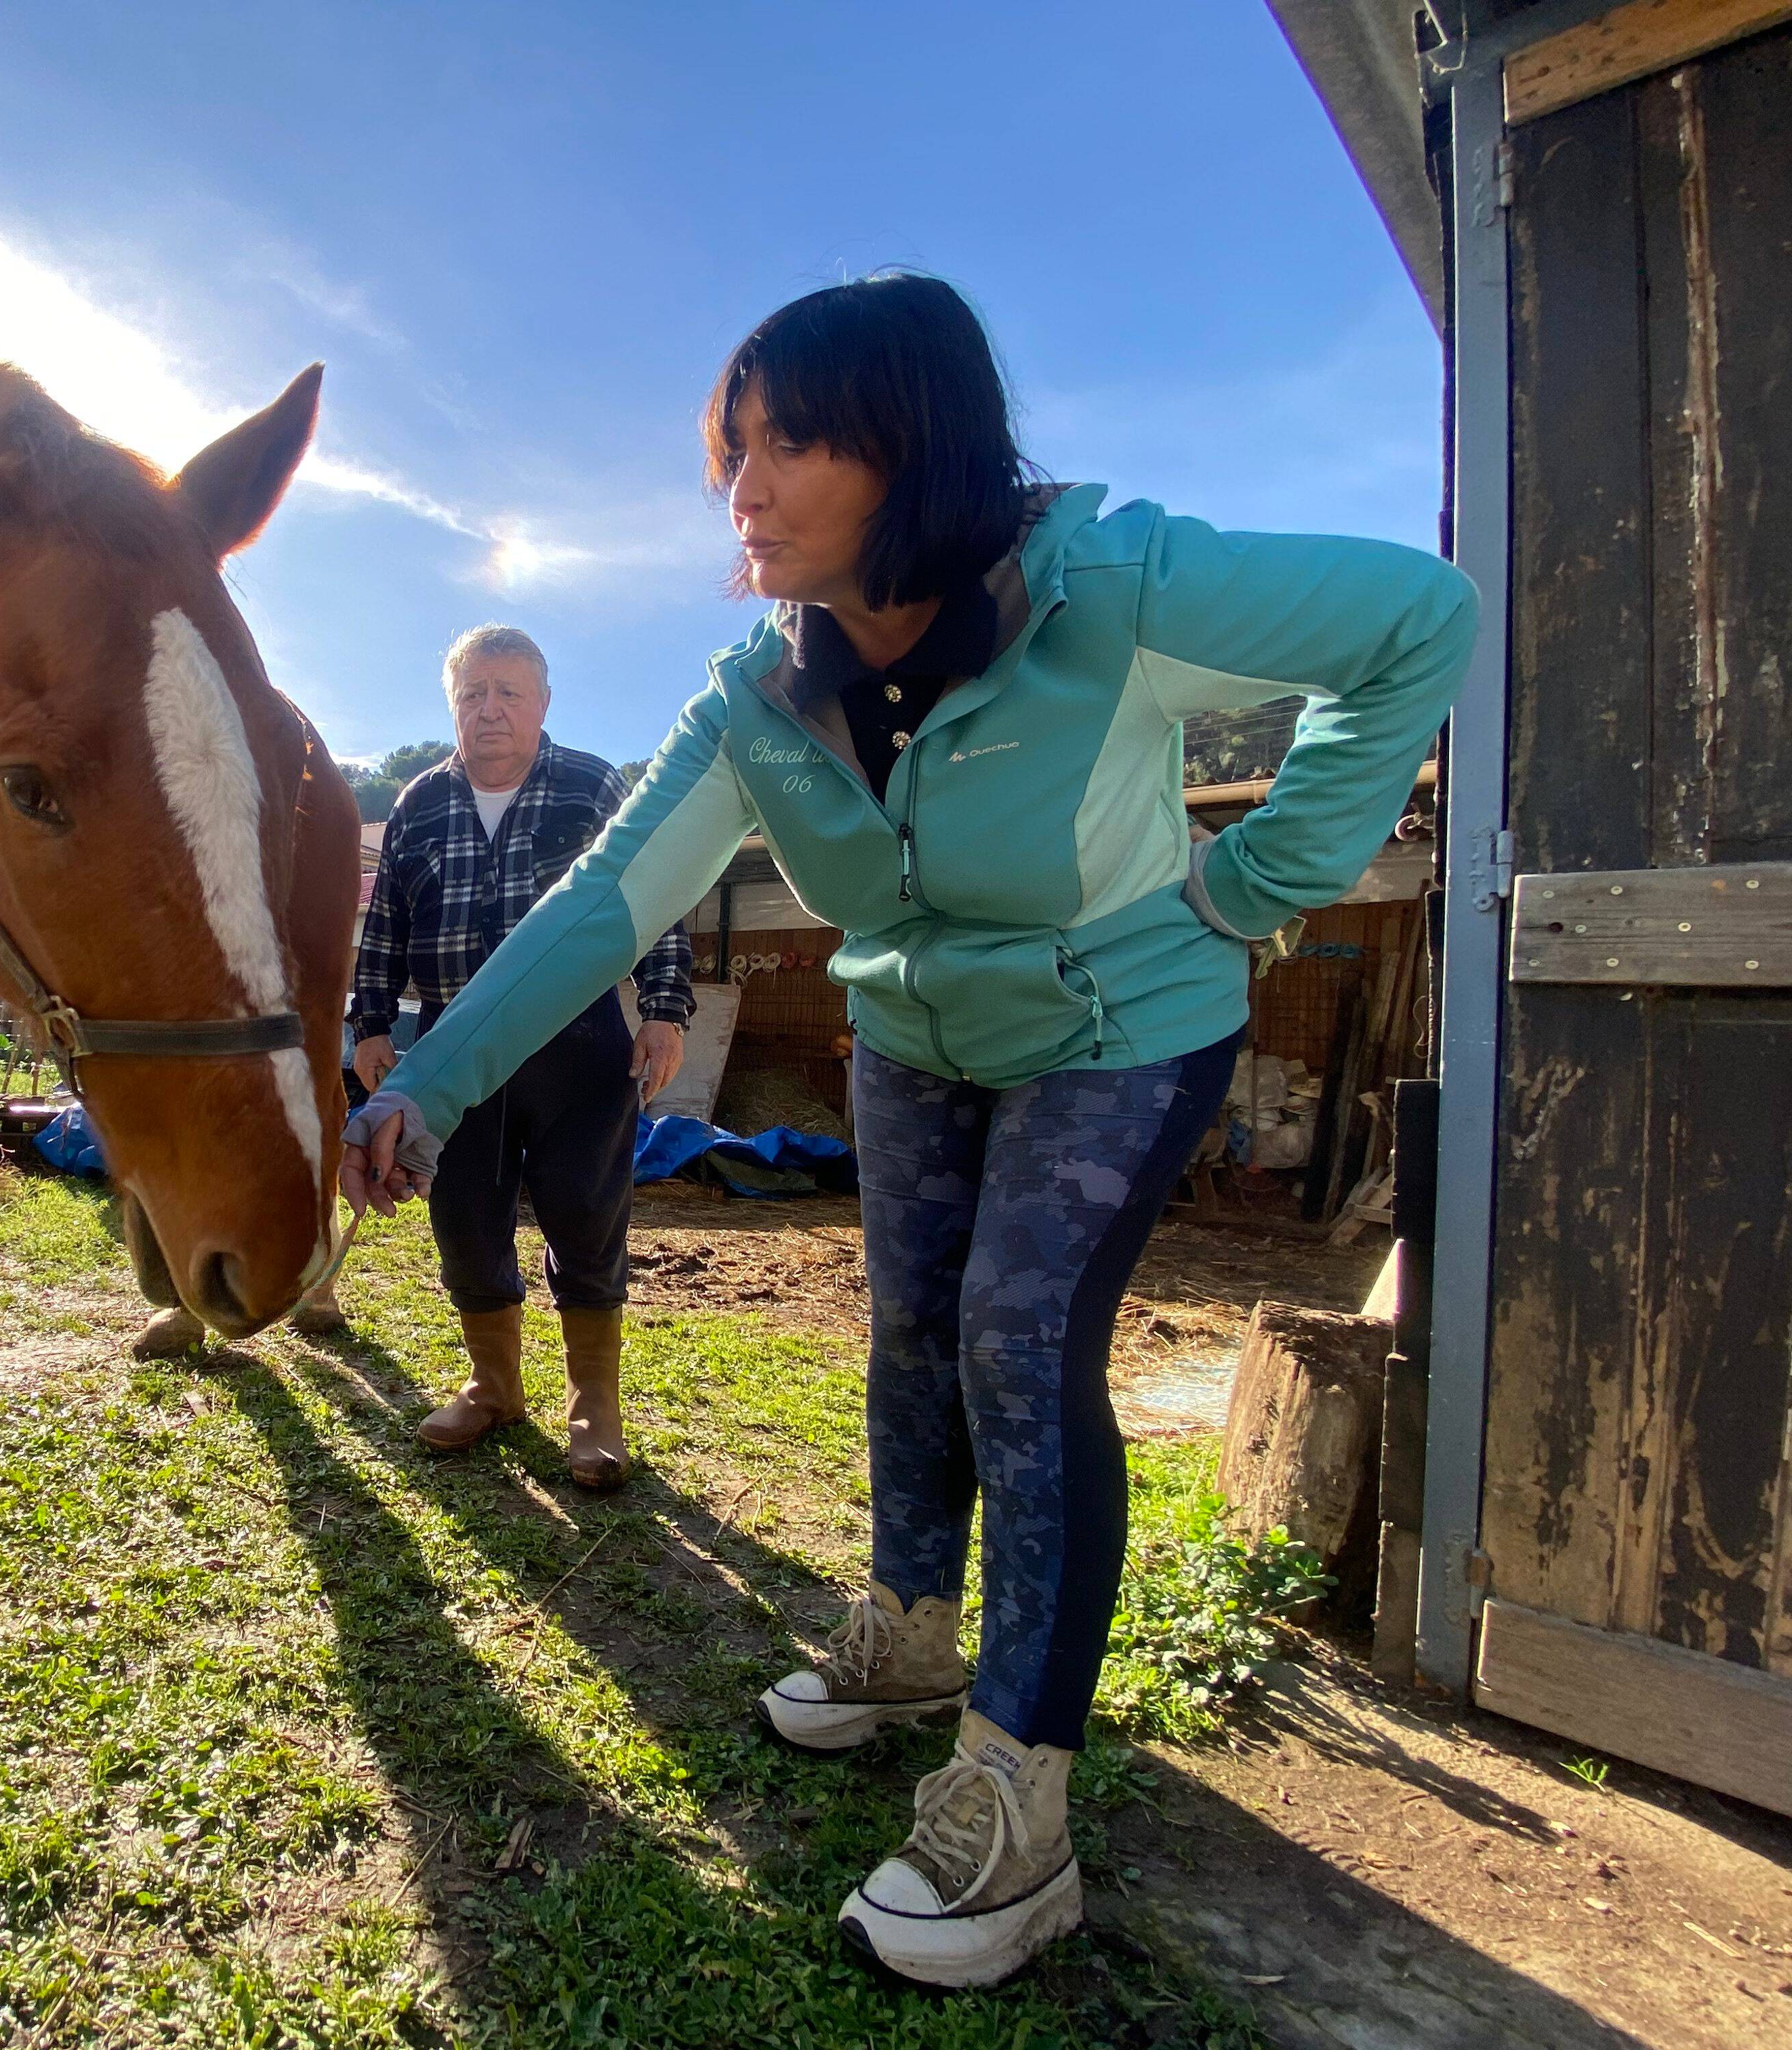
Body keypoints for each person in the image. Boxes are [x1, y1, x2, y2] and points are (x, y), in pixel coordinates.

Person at [340, 275, 1474, 1986]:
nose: (743, 492)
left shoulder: (1112, 584)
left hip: (1122, 1021)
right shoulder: (757, 694)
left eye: (790, 443)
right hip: (915, 1035)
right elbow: (602, 903)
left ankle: (1018, 1797)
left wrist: (1263, 877)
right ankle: (911, 1637)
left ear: (915, 439)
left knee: (1014, 1341)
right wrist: (428, 1083)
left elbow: (1420, 617)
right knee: (907, 1333)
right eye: (731, 454)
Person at [350, 624, 693, 1489]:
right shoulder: (420, 802)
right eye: (472, 693)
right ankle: (494, 1387)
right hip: (449, 1045)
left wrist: (663, 1009)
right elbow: (384, 922)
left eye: (509, 692)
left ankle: (593, 1407)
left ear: (542, 703)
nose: (490, 709)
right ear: (453, 706)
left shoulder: (592, 785)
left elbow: (652, 892)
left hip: (577, 1038)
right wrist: (371, 1024)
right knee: (464, 1217)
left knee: (586, 1211)